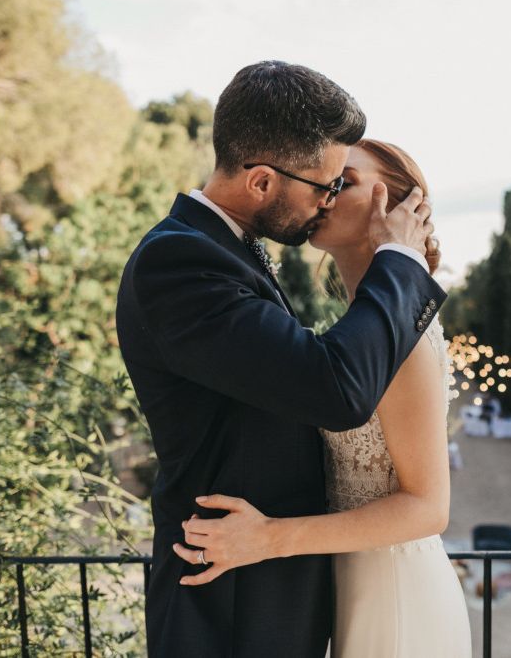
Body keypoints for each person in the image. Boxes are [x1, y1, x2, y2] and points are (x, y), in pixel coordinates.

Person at [116, 61, 444, 658]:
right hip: (227, 602)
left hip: (277, 590)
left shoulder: (224, 252)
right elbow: (333, 390)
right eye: (325, 185)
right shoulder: (182, 263)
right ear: (262, 182)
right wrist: (400, 261)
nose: (326, 202)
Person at [174, 139, 472, 657]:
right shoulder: (355, 339)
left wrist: (268, 538)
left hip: (395, 595)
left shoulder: (406, 341)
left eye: (346, 182)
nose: (326, 194)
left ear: (398, 209)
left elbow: (428, 508)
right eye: (327, 181)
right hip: (350, 584)